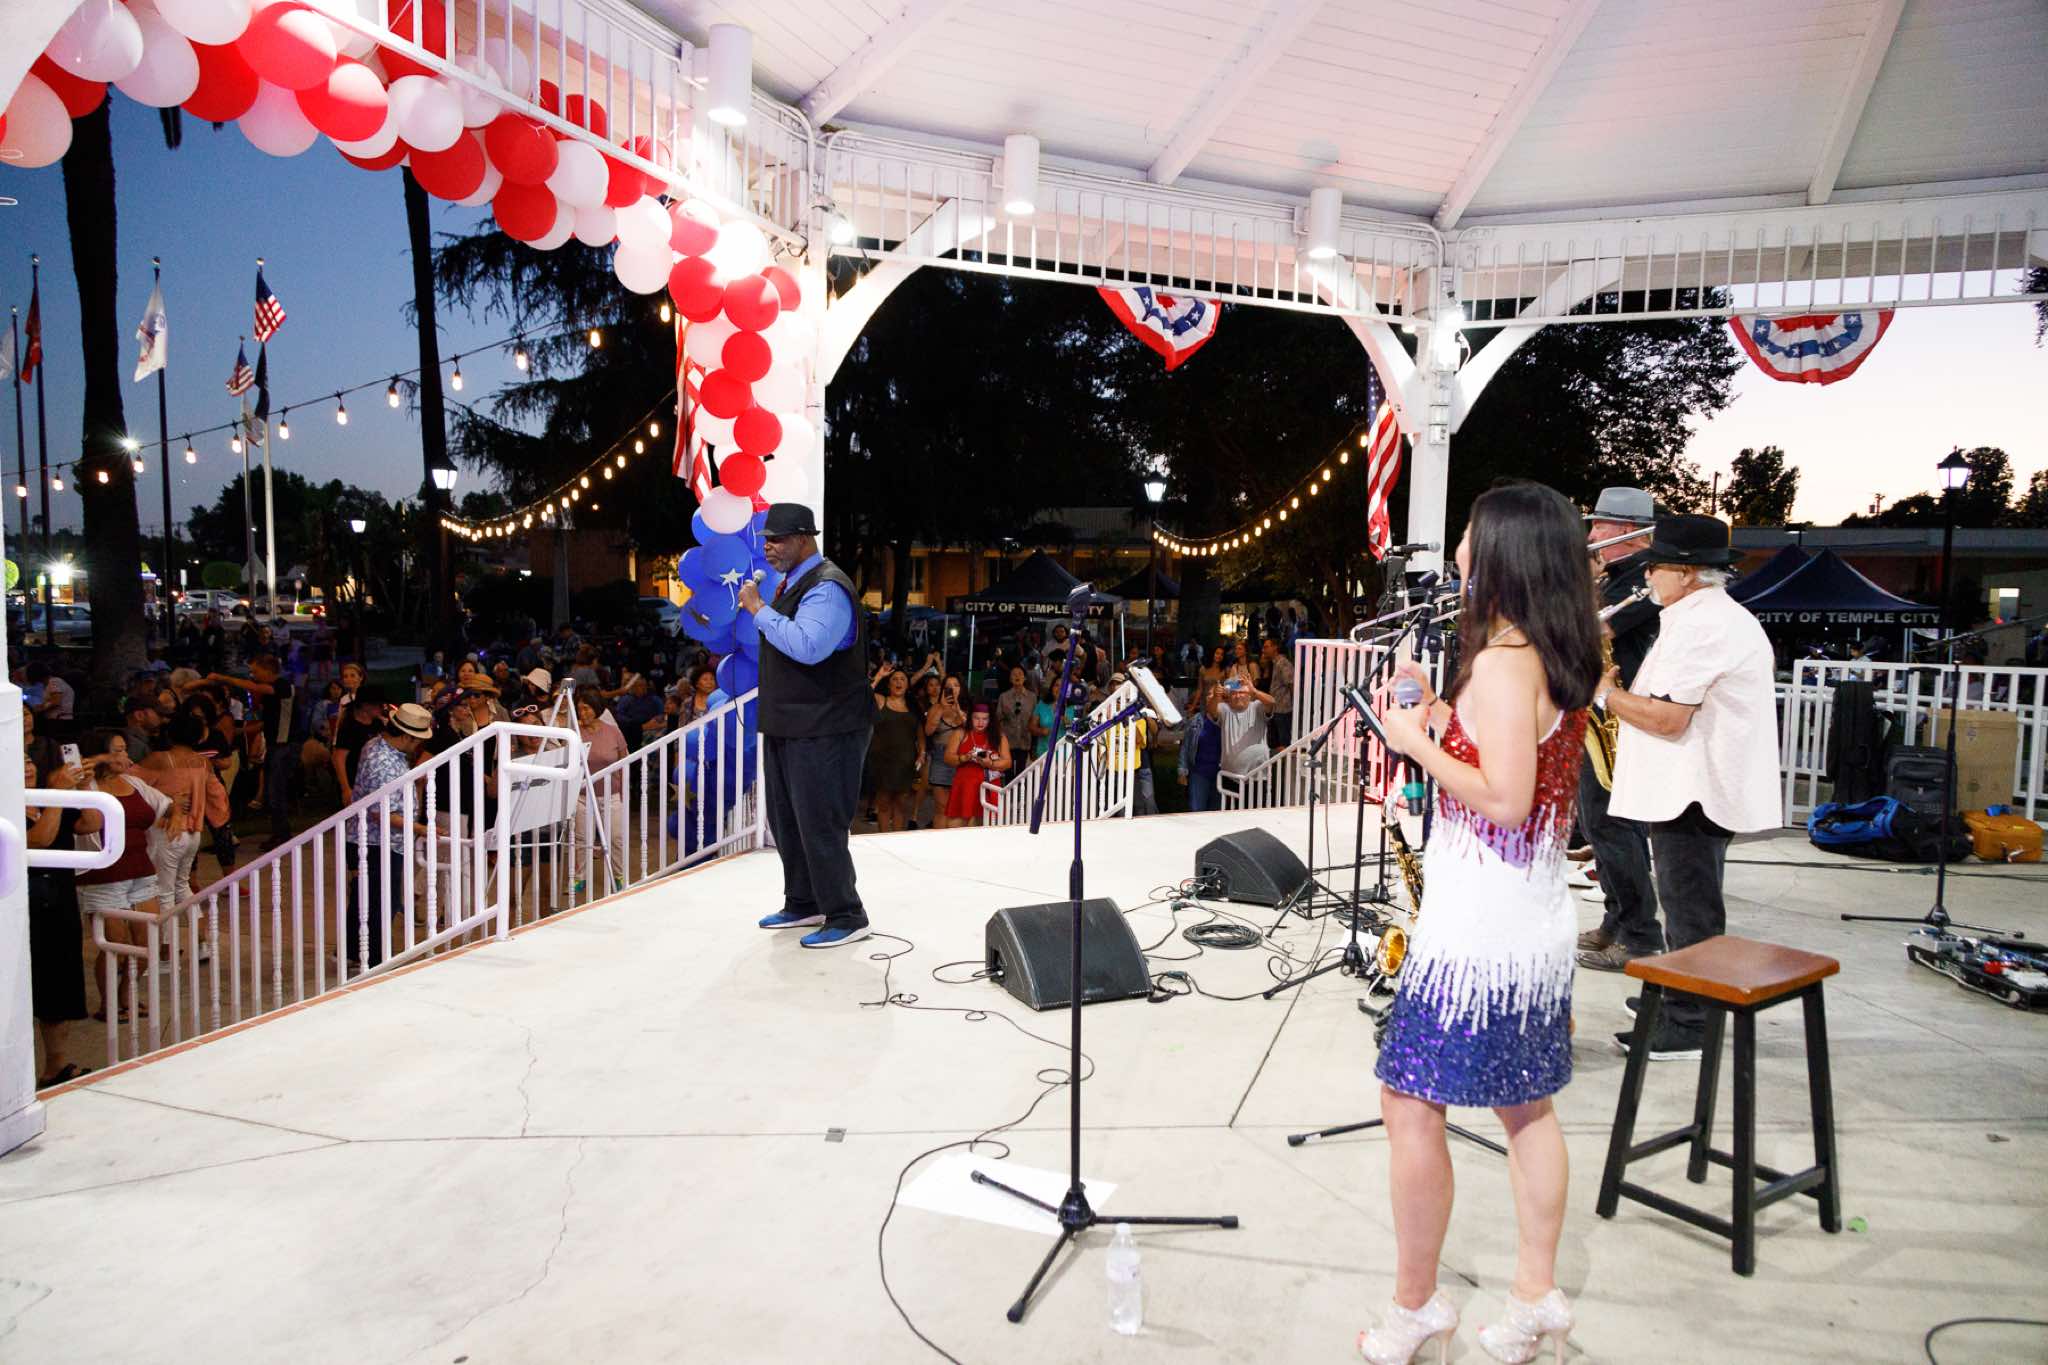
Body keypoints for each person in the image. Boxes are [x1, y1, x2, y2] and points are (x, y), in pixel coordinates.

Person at [1363, 482, 1602, 1365]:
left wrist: (1415, 743)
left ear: (1501, 550)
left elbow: (1504, 798)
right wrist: (1434, 707)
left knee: (1409, 1100)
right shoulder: (1546, 649)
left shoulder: (1505, 663)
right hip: (1529, 920)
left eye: (1469, 531)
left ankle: (1415, 1306)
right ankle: (1535, 1295)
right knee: (1526, 1106)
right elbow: (1510, 753)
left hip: (1480, 939)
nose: (1459, 544)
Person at [1599, 513, 1782, 1060]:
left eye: (1654, 567)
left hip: (1694, 789)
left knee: (1690, 909)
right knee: (1686, 904)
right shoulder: (1700, 617)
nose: (1646, 576)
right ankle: (1679, 993)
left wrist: (1603, 694)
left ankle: (1691, 1022)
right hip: (1690, 785)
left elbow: (1667, 718)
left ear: (1686, 572)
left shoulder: (1705, 625)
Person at [736, 503, 874, 948]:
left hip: (827, 726)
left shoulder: (827, 587)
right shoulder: (793, 583)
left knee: (819, 821)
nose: (768, 548)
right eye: (766, 540)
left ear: (802, 538)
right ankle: (804, 901)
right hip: (792, 724)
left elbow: (810, 647)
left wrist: (759, 610)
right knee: (787, 820)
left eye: (777, 539)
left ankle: (846, 914)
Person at [1573, 487, 1665, 973]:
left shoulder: (1644, 577)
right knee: (1597, 825)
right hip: (1604, 709)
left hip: (1623, 713)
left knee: (1613, 826)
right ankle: (1617, 918)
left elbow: (1597, 629)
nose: (1592, 535)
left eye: (1600, 525)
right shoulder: (1616, 574)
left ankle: (1640, 936)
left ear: (1628, 530)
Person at [73, 733, 176, 973]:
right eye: (117, 750)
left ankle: (127, 993)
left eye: (124, 750)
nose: (125, 756)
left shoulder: (133, 783)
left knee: (147, 946)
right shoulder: (84, 785)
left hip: (141, 870)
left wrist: (177, 816)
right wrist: (95, 768)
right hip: (102, 876)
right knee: (115, 949)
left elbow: (168, 805)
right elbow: (85, 824)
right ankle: (110, 997)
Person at [344, 702, 436, 969]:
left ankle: (354, 951)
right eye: (417, 740)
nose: (419, 745)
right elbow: (381, 814)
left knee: (367, 899)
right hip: (376, 842)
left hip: (378, 840)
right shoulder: (382, 760)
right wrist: (421, 829)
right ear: (407, 736)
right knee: (380, 902)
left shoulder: (380, 747)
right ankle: (374, 959)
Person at [24, 753, 89, 1085]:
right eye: (18, 761)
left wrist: (86, 785)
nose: (27, 766)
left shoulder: (48, 800)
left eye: (29, 760)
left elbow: (91, 823)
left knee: (59, 984)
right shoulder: (10, 806)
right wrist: (59, 795)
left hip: (61, 901)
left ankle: (56, 1065)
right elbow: (40, 839)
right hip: (26, 908)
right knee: (29, 986)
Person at [140, 711, 230, 947]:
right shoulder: (203, 762)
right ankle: (202, 943)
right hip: (193, 833)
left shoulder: (160, 759)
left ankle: (167, 948)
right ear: (200, 736)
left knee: (164, 891)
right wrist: (218, 819)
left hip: (167, 830)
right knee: (183, 887)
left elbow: (131, 783)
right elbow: (218, 795)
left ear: (171, 733)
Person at [204, 655, 297, 852]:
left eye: (256, 671)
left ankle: (282, 835)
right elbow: (267, 722)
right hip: (275, 746)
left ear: (268, 670)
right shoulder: (272, 695)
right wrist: (240, 731)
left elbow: (255, 687)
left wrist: (224, 678)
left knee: (275, 792)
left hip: (283, 747)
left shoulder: (283, 686)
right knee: (271, 792)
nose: (253, 675)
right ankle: (279, 832)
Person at [867, 666, 922, 832]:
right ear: (889, 684)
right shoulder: (881, 700)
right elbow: (863, 695)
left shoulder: (913, 706)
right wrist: (879, 676)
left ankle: (896, 840)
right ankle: (884, 839)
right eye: (895, 679)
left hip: (906, 761)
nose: (899, 682)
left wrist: (922, 752)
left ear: (907, 684)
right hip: (882, 761)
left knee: (901, 803)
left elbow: (921, 734)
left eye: (902, 679)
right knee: (883, 803)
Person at [944, 702, 1011, 826]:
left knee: (985, 824)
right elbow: (948, 757)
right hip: (965, 784)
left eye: (985, 719)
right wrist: (964, 758)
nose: (980, 722)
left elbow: (1007, 762)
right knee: (955, 824)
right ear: (970, 718)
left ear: (990, 720)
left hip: (989, 785)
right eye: (976, 718)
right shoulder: (960, 733)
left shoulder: (999, 736)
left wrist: (990, 763)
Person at [1208, 677, 1274, 780]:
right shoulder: (1225, 709)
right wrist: (1216, 697)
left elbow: (1272, 703)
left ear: (1249, 695)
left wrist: (1255, 691)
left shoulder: (1257, 707)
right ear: (1229, 697)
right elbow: (1212, 711)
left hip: (1257, 777)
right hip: (1230, 776)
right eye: (1233, 693)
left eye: (1242, 692)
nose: (1238, 696)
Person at [1178, 680, 1224, 811]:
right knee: (1197, 810)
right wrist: (1182, 771)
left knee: (1217, 812)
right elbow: (1185, 746)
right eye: (1209, 694)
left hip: (1221, 773)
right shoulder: (1195, 721)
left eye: (1215, 694)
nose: (1212, 697)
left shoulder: (1227, 718)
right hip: (1199, 773)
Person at [1260, 635, 1296, 748]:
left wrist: (1294, 704)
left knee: (1283, 742)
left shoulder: (1283, 663)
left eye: (1266, 647)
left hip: (1283, 708)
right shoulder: (1274, 663)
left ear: (1275, 647)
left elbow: (1291, 684)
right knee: (1275, 741)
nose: (1264, 650)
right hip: (1275, 708)